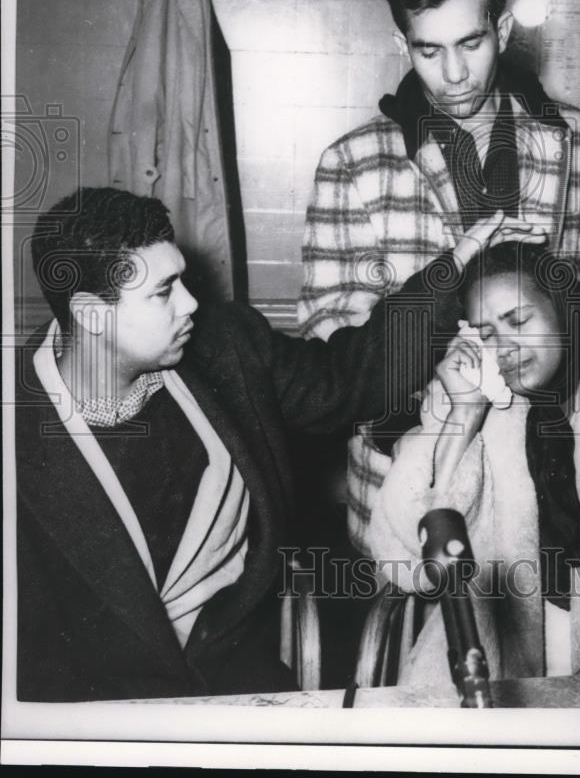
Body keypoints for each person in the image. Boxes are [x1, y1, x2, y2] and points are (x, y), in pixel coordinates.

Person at [14, 186, 504, 702]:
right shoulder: (17, 437)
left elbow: (347, 377)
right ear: (91, 313)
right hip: (98, 713)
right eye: (163, 292)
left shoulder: (226, 345)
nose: (191, 303)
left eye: (180, 278)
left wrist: (457, 263)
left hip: (239, 679)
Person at [297, 0, 580, 551]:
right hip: (410, 474)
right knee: (426, 640)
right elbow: (333, 349)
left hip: (560, 464)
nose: (454, 74)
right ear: (401, 44)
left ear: (504, 29)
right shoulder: (351, 164)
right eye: (428, 50)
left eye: (471, 43)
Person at [367, 242, 580, 688]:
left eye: (519, 320)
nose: (505, 347)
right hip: (490, 669)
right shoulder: (473, 410)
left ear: (564, 310)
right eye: (486, 333)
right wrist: (465, 415)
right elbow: (406, 558)